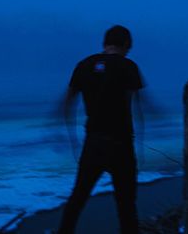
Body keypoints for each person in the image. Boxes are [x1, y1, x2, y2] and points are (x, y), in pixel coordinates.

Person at [58, 25, 144, 234]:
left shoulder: (83, 65)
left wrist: (73, 141)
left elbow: (67, 104)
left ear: (105, 43)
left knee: (78, 198)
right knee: (126, 205)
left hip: (93, 142)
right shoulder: (128, 66)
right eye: (128, 48)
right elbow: (133, 105)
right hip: (121, 143)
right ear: (126, 45)